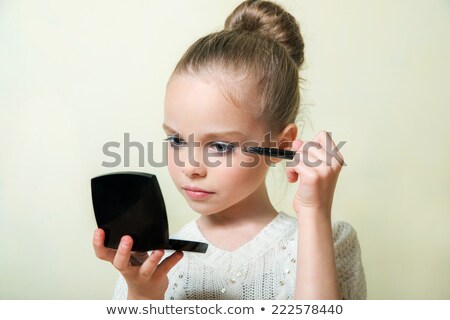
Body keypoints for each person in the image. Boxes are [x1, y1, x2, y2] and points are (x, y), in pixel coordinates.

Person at [93, 0, 366, 300]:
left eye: (220, 146)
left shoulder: (329, 243)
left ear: (282, 145)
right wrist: (143, 295)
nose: (191, 167)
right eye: (176, 141)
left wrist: (315, 213)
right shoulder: (151, 262)